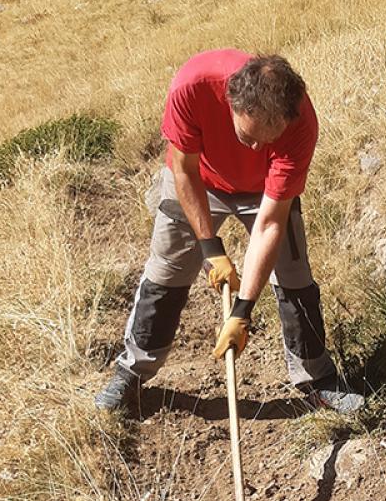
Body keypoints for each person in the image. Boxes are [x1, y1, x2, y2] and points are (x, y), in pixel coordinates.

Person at [94, 49, 365, 415]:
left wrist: (242, 311)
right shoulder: (192, 86)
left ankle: (317, 379)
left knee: (294, 275)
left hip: (264, 191)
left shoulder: (301, 123)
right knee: (165, 273)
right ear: (230, 102)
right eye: (247, 136)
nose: (256, 148)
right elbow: (184, 170)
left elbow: (269, 222)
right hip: (197, 178)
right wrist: (209, 246)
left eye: (267, 141)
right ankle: (132, 371)